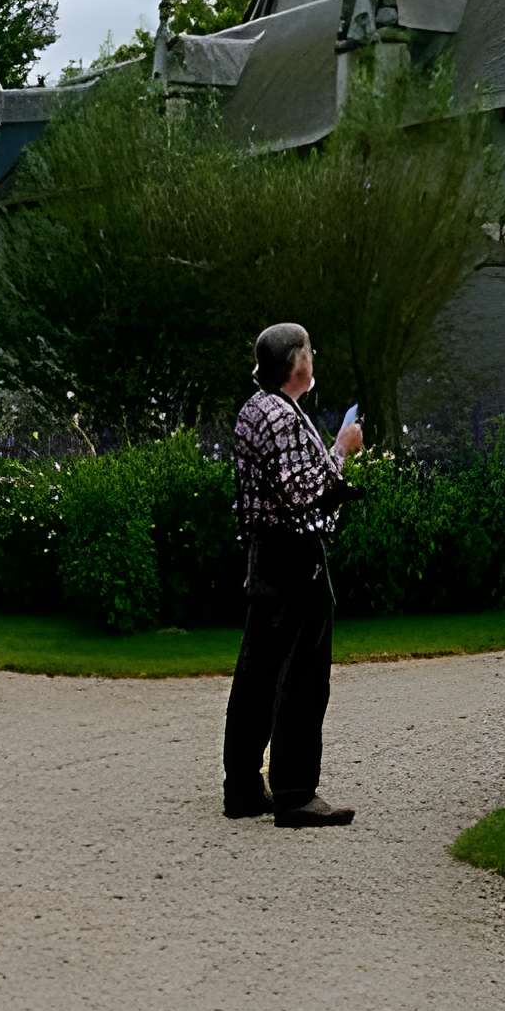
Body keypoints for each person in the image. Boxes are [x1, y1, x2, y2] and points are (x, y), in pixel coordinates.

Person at [222, 322, 365, 827]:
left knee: (257, 671)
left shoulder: (255, 408)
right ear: (295, 363)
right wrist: (343, 448)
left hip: (265, 553)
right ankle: (295, 792)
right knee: (303, 676)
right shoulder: (282, 416)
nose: (314, 356)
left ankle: (241, 787)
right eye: (308, 349)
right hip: (294, 555)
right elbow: (302, 491)